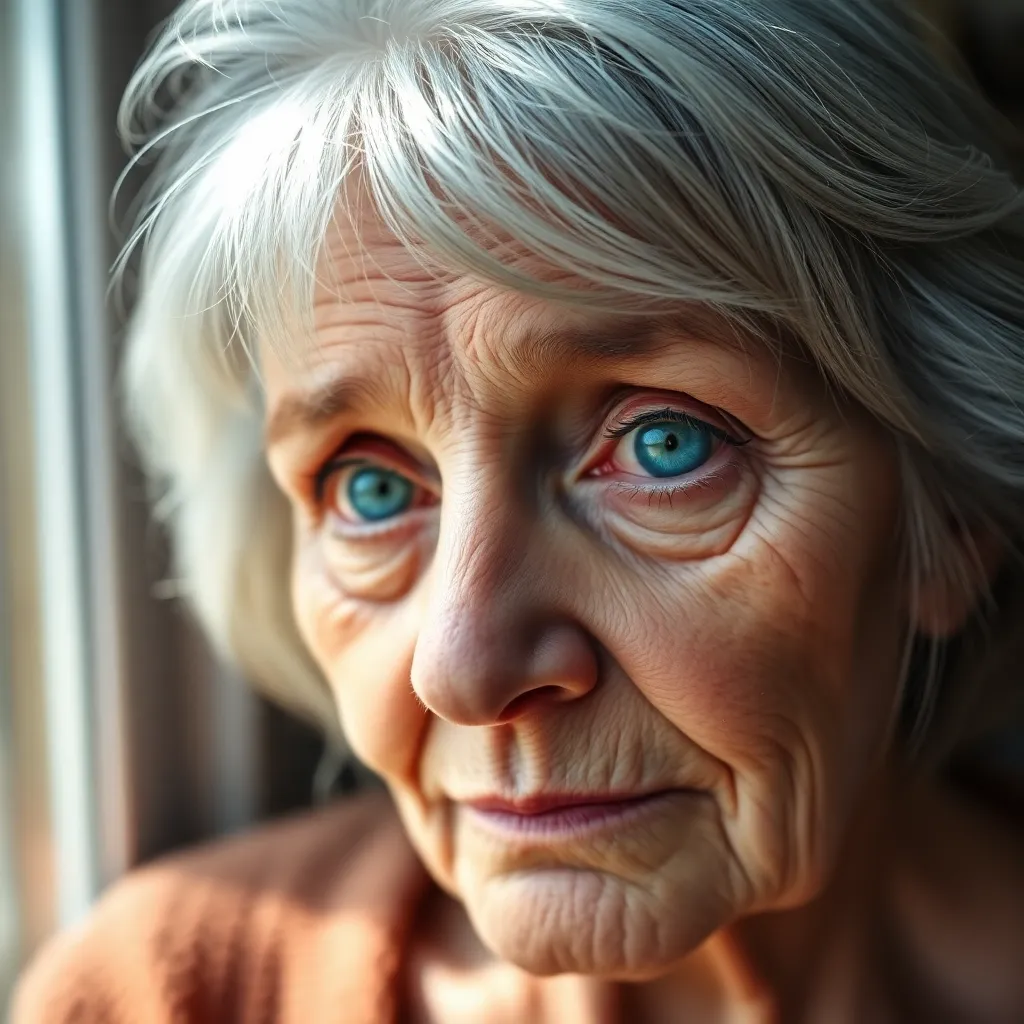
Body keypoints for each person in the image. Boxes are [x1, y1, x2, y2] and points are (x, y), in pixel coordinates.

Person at [13, 0, 1024, 1020]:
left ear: (952, 512)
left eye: (661, 447)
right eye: (370, 489)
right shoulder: (162, 997)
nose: (461, 668)